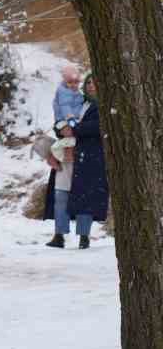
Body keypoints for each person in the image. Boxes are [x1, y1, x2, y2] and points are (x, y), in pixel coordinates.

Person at [42, 75, 107, 250]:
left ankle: (84, 237)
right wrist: (61, 128)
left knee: (85, 197)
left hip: (89, 158)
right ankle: (59, 235)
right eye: (88, 83)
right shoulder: (75, 101)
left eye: (95, 82)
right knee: (60, 195)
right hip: (66, 156)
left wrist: (74, 129)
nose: (91, 86)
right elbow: (59, 121)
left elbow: (96, 127)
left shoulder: (105, 105)